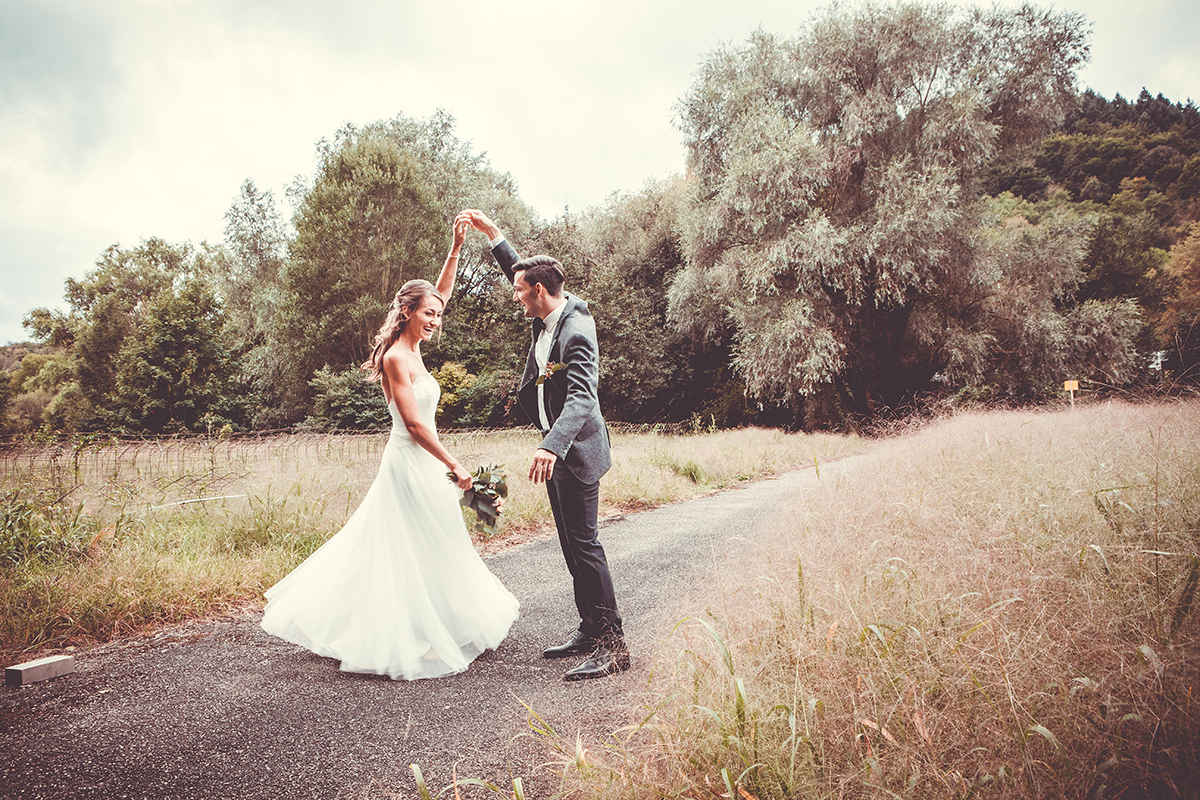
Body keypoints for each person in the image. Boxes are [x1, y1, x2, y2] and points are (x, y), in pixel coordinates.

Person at [260, 218, 519, 681]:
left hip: (426, 461)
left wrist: (456, 247)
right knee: (414, 544)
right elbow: (415, 425)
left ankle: (433, 625)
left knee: (430, 541)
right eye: (428, 314)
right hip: (410, 460)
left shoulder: (415, 346)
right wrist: (456, 465)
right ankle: (402, 632)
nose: (435, 320)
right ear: (407, 312)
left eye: (438, 314)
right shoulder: (397, 357)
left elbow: (440, 294)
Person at [458, 208, 628, 681]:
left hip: (576, 452)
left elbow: (582, 398)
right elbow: (520, 271)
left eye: (519, 291)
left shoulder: (576, 332)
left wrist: (551, 446)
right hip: (556, 450)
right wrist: (494, 235)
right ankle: (590, 630)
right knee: (571, 546)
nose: (514, 297)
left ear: (538, 291)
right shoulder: (547, 308)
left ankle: (614, 646)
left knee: (586, 546)